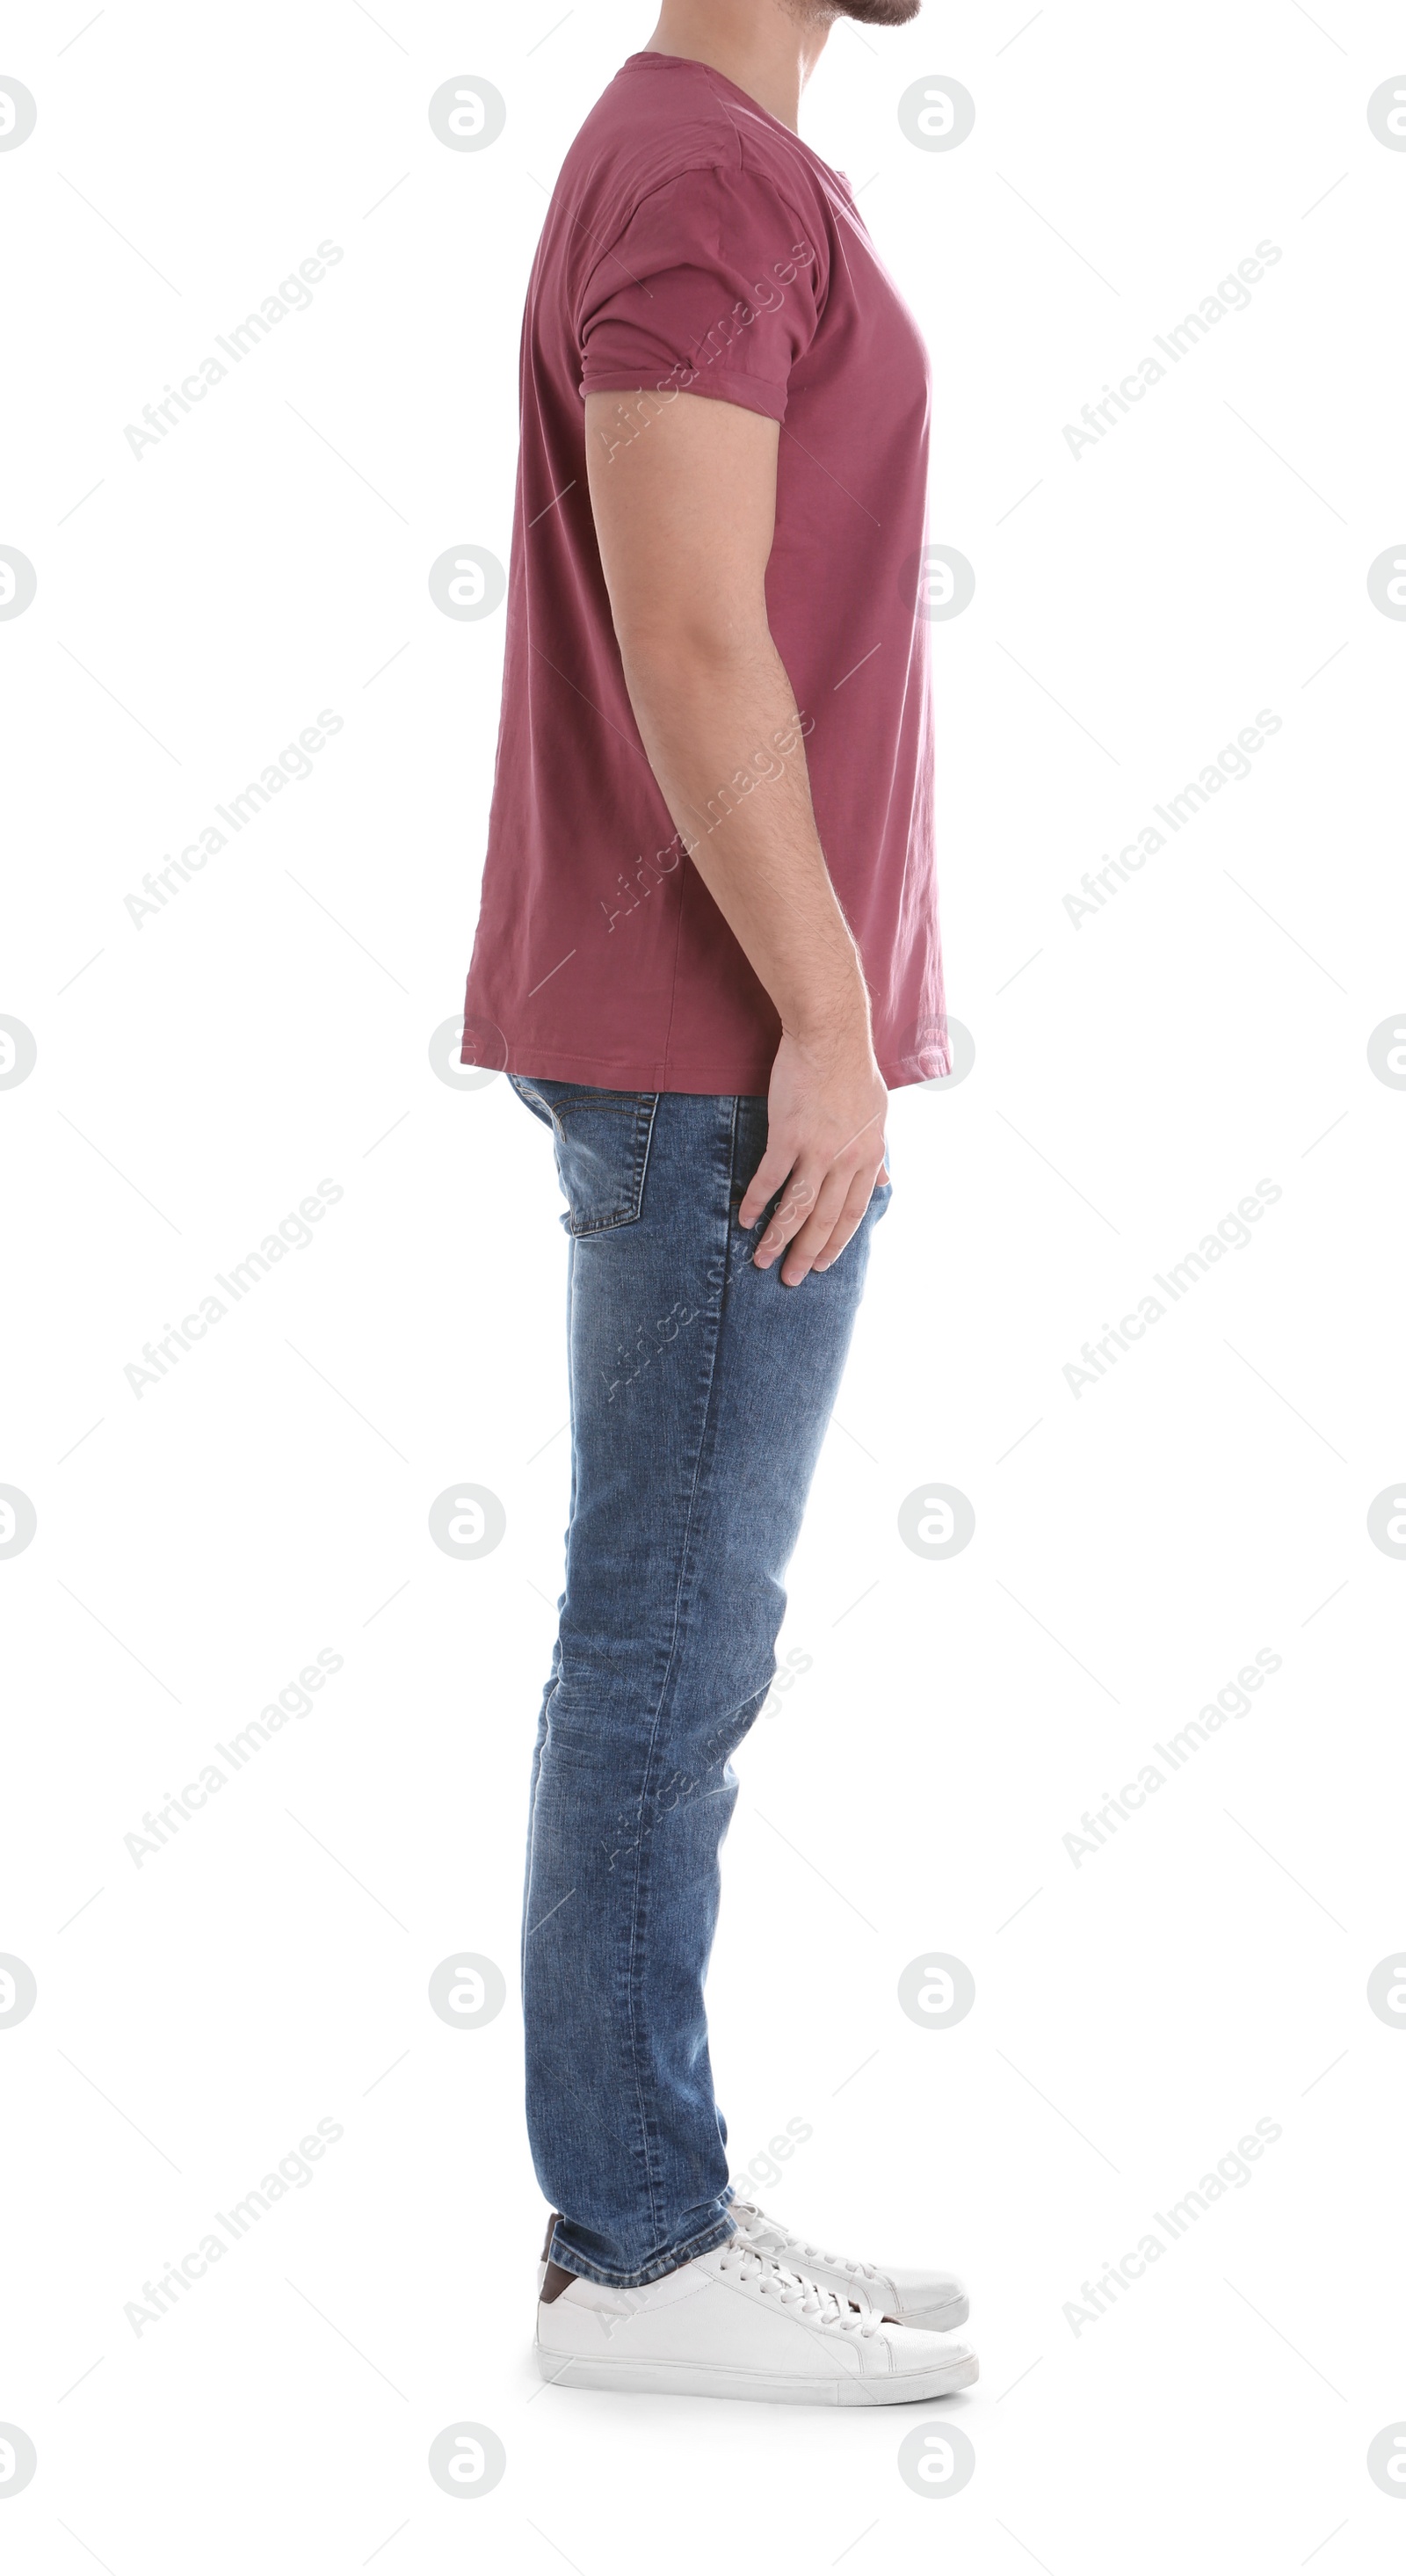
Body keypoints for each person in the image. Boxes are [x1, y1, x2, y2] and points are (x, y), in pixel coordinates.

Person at [461, 0, 975, 2405]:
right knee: (667, 1641)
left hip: (712, 1036)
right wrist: (830, 1021)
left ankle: (647, 2193)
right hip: (719, 1052)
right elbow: (688, 631)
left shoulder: (727, 163)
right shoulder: (697, 171)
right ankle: (639, 2242)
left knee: (675, 1632)